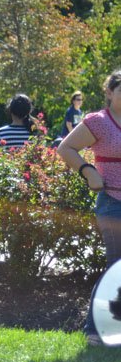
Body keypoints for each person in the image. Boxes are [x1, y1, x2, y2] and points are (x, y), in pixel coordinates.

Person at [57, 70, 121, 346]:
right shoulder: (99, 122)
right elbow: (66, 147)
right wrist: (87, 171)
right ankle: (94, 331)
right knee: (115, 268)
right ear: (109, 92)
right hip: (112, 203)